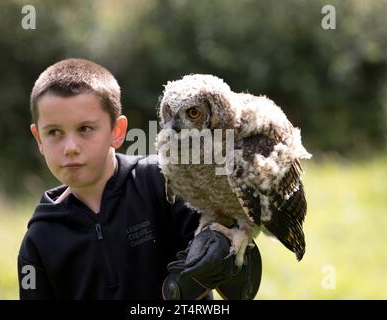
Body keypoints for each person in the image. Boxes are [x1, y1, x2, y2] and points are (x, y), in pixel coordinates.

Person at [17, 58, 261, 299]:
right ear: (38, 138)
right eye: (54, 132)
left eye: (85, 129)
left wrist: (222, 263)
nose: (70, 147)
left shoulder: (163, 180)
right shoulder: (39, 240)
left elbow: (236, 278)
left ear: (117, 131)